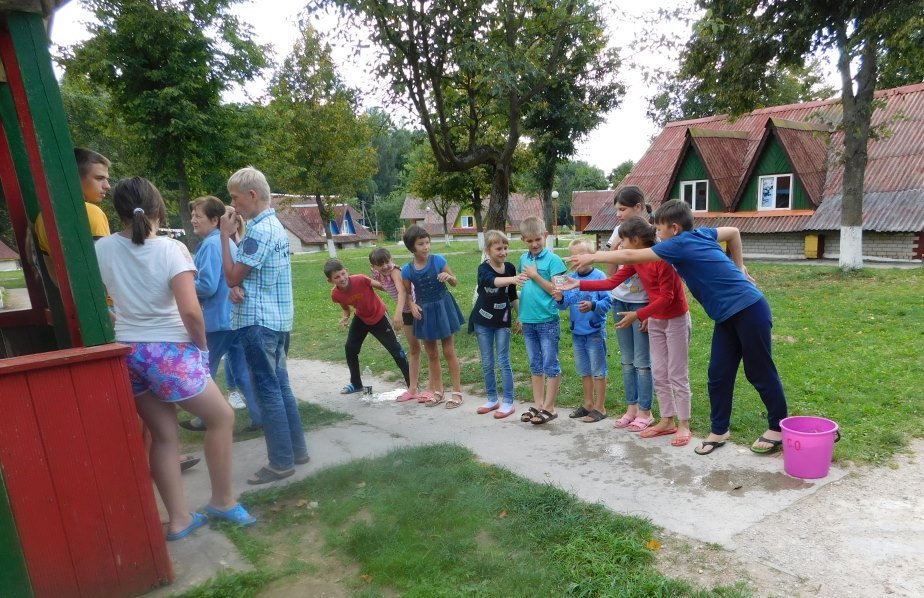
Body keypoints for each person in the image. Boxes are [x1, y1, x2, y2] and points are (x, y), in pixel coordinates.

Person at [94, 177, 255, 540]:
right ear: (158, 208)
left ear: (117, 211)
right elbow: (191, 312)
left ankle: (180, 519)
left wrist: (118, 320)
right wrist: (200, 348)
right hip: (169, 349)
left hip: (128, 352)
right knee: (222, 417)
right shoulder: (171, 249)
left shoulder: (101, 249)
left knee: (164, 435)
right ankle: (223, 501)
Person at [566, 199, 789, 456]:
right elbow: (733, 233)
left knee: (758, 370)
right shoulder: (702, 233)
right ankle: (720, 430)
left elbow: (630, 254)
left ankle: (777, 427)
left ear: (674, 228)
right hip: (725, 316)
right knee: (718, 374)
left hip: (750, 309)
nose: (656, 234)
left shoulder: (678, 244)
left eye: (659, 229)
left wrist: (593, 255)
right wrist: (738, 266)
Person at [563, 216, 693, 446]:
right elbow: (612, 282)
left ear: (635, 240)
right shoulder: (637, 261)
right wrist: (579, 284)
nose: (620, 245)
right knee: (661, 373)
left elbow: (667, 297)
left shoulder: (661, 259)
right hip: (657, 321)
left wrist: (639, 314)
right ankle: (666, 420)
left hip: (675, 320)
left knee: (677, 374)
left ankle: (683, 424)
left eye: (623, 241)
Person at [219, 167, 309, 485]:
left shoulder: (258, 231)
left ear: (252, 195)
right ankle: (296, 451)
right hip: (278, 321)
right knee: (281, 387)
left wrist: (223, 235)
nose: (233, 205)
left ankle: (281, 462)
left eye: (235, 197)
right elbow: (251, 273)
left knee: (267, 391)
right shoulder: (274, 227)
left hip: (258, 324)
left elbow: (232, 275)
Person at [179, 196, 262, 434]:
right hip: (233, 317)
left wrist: (180, 286)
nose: (193, 220)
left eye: (198, 215)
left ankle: (206, 419)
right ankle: (258, 416)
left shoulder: (211, 245)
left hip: (217, 320)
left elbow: (206, 286)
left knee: (206, 369)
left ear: (215, 220)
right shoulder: (224, 243)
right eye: (193, 215)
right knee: (240, 369)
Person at [606, 186, 655, 433]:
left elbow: (662, 277)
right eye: (617, 210)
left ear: (639, 207)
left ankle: (646, 411)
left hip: (643, 305)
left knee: (642, 361)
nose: (618, 215)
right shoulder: (618, 232)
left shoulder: (653, 234)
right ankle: (631, 408)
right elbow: (611, 272)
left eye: (622, 209)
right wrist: (614, 249)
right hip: (619, 301)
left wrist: (650, 312)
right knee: (627, 360)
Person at [400, 225, 465, 408]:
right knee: (431, 354)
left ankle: (457, 392)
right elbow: (407, 294)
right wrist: (412, 306)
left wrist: (448, 276)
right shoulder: (407, 270)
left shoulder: (438, 260)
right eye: (421, 244)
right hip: (424, 312)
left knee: (449, 351)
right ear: (412, 247)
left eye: (427, 242)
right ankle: (438, 391)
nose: (426, 247)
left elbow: (455, 282)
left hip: (443, 307)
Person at [325, 258, 412, 394]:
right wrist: (345, 317)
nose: (342, 278)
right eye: (337, 277)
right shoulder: (335, 294)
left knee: (395, 349)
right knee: (350, 348)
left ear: (346, 271)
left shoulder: (360, 279)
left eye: (343, 274)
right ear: (330, 281)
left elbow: (383, 286)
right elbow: (346, 308)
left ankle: (412, 384)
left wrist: (389, 277)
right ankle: (356, 383)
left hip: (379, 316)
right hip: (361, 318)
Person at [551, 238, 612, 424]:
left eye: (581, 255)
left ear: (591, 257)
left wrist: (593, 305)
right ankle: (588, 404)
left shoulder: (600, 276)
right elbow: (564, 305)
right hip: (577, 333)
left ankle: (600, 407)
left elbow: (608, 302)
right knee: (584, 371)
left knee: (598, 371)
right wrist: (560, 298)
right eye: (573, 256)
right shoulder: (571, 278)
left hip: (594, 333)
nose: (576, 260)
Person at [34, 148, 111, 287]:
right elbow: (107, 271)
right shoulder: (91, 213)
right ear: (74, 177)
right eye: (99, 178)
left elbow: (55, 278)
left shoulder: (41, 218)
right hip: (105, 304)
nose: (107, 186)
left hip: (74, 302)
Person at [517, 216, 568, 425]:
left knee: (550, 364)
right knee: (535, 365)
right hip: (528, 320)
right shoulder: (523, 259)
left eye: (538, 239)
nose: (534, 244)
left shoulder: (554, 261)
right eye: (529, 241)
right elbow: (524, 288)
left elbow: (559, 292)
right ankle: (538, 405)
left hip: (547, 320)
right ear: (523, 240)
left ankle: (550, 407)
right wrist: (520, 316)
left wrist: (536, 276)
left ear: (545, 236)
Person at [469, 230, 525, 419]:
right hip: (482, 321)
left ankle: (508, 402)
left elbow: (511, 295)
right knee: (487, 362)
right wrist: (512, 280)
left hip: (502, 320)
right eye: (498, 248)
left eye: (505, 247)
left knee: (503, 360)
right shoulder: (483, 269)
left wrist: (520, 316)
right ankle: (492, 399)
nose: (503, 252)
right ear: (488, 250)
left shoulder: (510, 268)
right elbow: (491, 281)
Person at [368, 247, 422, 401]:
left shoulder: (395, 271)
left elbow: (402, 292)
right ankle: (413, 388)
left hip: (416, 306)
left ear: (391, 259)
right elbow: (384, 287)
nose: (385, 266)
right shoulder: (378, 274)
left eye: (387, 261)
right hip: (406, 310)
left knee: (426, 348)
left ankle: (430, 387)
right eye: (380, 264)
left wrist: (398, 313)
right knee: (414, 348)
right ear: (373, 266)